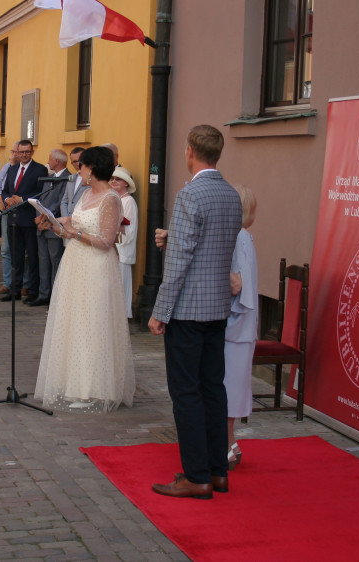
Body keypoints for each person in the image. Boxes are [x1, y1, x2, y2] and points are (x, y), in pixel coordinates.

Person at [149, 124, 242, 500]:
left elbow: (180, 262)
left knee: (185, 392)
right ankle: (218, 471)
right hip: (217, 305)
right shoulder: (231, 194)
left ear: (190, 151)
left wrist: (160, 311)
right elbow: (214, 244)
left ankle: (196, 475)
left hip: (187, 308)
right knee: (212, 388)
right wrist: (173, 237)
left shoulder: (190, 195)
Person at [33, 146, 134, 413]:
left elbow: (105, 240)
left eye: (82, 166)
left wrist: (74, 233)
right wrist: (53, 222)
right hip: (75, 263)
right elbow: (72, 221)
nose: (80, 170)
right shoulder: (87, 194)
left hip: (96, 266)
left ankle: (94, 388)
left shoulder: (111, 198)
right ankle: (74, 383)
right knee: (74, 321)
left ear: (93, 168)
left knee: (93, 323)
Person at [224, 185, 257, 470]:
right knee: (229, 385)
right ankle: (230, 442)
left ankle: (227, 444)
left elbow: (238, 284)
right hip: (238, 326)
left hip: (235, 328)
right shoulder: (242, 236)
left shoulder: (239, 237)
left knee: (229, 387)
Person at [0, 140, 47, 302]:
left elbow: (42, 192)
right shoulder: (12, 170)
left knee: (32, 257)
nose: (24, 154)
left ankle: (33, 291)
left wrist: (22, 199)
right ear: (17, 153)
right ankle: (15, 290)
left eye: (27, 152)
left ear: (32, 152)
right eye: (21, 152)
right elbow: (5, 190)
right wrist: (6, 199)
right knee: (16, 256)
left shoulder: (40, 169)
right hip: (13, 218)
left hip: (30, 218)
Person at [31, 149, 70, 308]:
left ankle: (55, 296)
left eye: (50, 159)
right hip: (42, 224)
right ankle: (43, 293)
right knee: (43, 260)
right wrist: (39, 216)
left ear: (58, 160)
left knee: (55, 260)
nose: (48, 162)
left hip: (54, 225)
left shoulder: (67, 178)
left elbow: (61, 201)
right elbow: (41, 197)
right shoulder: (49, 177)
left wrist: (46, 217)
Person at [110, 166, 138, 318]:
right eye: (113, 179)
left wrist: (117, 244)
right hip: (113, 247)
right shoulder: (117, 200)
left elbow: (129, 229)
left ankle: (121, 316)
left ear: (126, 183)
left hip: (121, 250)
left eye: (118, 179)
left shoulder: (128, 202)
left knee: (121, 283)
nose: (114, 181)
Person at [0, 147, 18, 295]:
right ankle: (7, 283)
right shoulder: (7, 167)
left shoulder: (30, 168)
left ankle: (23, 283)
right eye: (13, 151)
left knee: (22, 250)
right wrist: (1, 198)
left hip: (21, 212)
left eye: (17, 151)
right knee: (5, 249)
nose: (14, 154)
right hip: (6, 210)